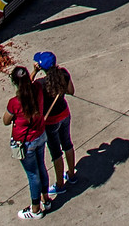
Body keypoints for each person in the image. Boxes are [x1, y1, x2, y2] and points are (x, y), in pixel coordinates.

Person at [4, 67, 50, 220]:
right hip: (40, 135)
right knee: (42, 167)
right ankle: (46, 199)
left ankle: (35, 209)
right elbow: (30, 83)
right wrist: (35, 71)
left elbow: (6, 121)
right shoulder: (37, 88)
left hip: (25, 143)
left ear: (14, 83)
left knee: (33, 175)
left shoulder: (14, 103)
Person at [35, 52, 77, 200]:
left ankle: (60, 185)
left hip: (50, 121)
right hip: (65, 114)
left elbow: (24, 87)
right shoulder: (63, 74)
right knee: (67, 144)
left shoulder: (40, 84)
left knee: (56, 153)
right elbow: (71, 91)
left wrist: (33, 71)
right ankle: (71, 175)